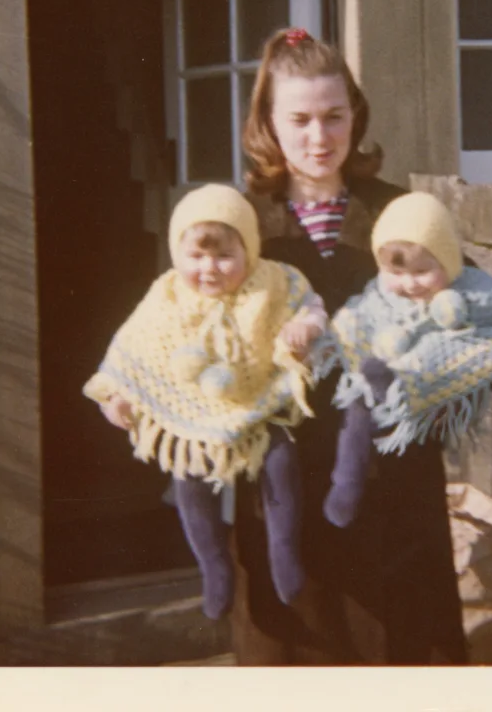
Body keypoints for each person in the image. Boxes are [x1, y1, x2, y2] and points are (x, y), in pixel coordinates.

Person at [233, 26, 467, 665]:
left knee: (402, 650)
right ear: (269, 125)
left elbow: (459, 319)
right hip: (284, 477)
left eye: (334, 116)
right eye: (300, 119)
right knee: (300, 650)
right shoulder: (241, 228)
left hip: (391, 474)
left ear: (355, 117)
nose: (319, 137)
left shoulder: (404, 213)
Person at [83, 184, 327, 620]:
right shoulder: (168, 295)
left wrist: (305, 326)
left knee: (280, 461)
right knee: (188, 477)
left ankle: (284, 554)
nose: (209, 269)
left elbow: (311, 306)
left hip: (256, 404)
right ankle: (213, 565)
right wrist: (114, 395)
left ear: (248, 250)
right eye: (196, 257)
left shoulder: (272, 282)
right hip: (191, 413)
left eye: (224, 256)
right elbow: (132, 347)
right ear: (179, 256)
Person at [318, 190, 492, 528]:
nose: (410, 284)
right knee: (359, 400)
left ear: (447, 260)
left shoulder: (475, 289)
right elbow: (352, 322)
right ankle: (346, 483)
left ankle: (388, 407)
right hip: (378, 394)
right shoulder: (380, 293)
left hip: (431, 400)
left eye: (422, 271)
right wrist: (323, 342)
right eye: (397, 273)